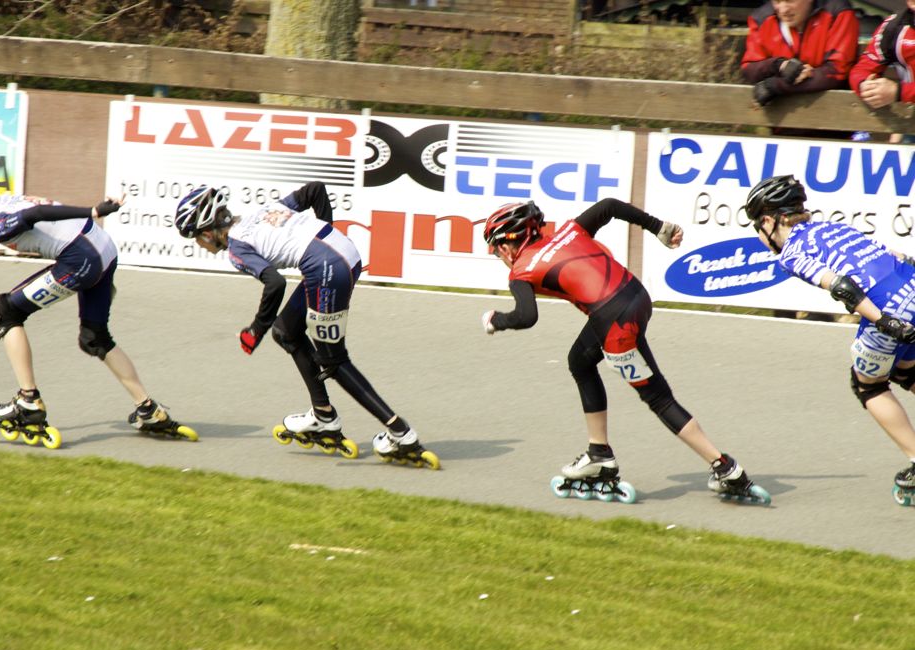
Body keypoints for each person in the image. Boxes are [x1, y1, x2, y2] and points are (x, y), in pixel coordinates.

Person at [480, 199, 769, 503]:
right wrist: (659, 227)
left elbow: (526, 317)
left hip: (615, 323)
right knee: (579, 361)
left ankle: (724, 467)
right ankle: (598, 452)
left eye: (496, 249)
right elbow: (608, 206)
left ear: (508, 244)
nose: (498, 256)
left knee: (658, 397)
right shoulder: (569, 231)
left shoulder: (521, 271)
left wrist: (496, 320)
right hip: (635, 296)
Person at [0, 160, 195, 445]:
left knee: (5, 311)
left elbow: (36, 214)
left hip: (82, 258)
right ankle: (148, 409)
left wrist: (93, 210)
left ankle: (28, 401)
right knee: (94, 338)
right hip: (104, 249)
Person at [172, 181, 437, 468]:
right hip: (341, 252)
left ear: (207, 232)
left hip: (326, 269)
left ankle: (401, 434)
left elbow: (275, 283)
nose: (199, 244)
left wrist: (255, 330)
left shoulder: (237, 249)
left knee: (333, 361)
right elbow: (315, 190)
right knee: (286, 332)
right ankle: (323, 415)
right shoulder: (264, 210)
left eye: (196, 238)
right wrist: (325, 235)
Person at [746, 174, 915, 505]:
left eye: (757, 227)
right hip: (911, 283)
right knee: (906, 370)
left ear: (768, 221)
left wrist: (884, 321)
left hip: (888, 306)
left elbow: (841, 286)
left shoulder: (791, 253)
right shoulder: (832, 227)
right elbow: (898, 256)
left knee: (868, 385)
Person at [742, 0, 859, 108]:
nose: (783, 10)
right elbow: (749, 69)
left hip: (836, 111)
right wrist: (778, 65)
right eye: (777, 1)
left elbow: (837, 72)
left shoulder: (838, 11)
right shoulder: (761, 18)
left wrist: (778, 85)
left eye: (790, 1)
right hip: (780, 115)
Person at [848, 0, 915, 144]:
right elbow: (863, 67)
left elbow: (898, 92)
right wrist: (865, 86)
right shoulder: (895, 25)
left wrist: (898, 92)